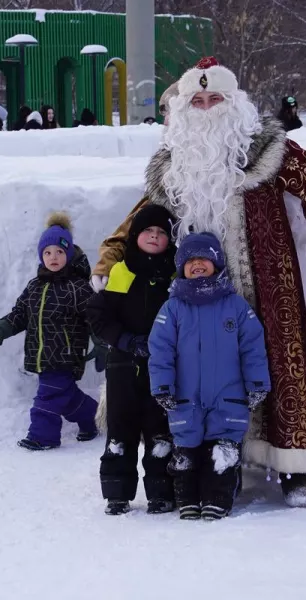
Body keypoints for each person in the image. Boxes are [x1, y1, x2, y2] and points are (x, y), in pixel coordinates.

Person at [91, 57, 306, 507]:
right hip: (194, 297)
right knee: (198, 379)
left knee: (280, 364)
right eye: (196, 100)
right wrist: (109, 256)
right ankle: (212, 468)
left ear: (234, 103)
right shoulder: (173, 166)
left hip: (267, 285)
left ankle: (296, 468)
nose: (205, 106)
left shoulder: (269, 151)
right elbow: (141, 221)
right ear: (181, 108)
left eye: (214, 97)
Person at [148, 232, 270, 520]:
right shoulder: (173, 308)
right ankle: (188, 499)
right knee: (186, 449)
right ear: (181, 269)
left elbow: (253, 347)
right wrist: (163, 386)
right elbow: (160, 349)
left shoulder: (236, 306)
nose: (197, 264)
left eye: (204, 258)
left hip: (228, 396)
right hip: (184, 397)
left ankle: (217, 499)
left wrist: (256, 383)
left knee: (223, 449)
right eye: (190, 261)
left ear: (217, 264)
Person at [87, 205, 178, 516]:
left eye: (161, 233)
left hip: (162, 368)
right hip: (123, 366)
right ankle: (117, 492)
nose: (154, 237)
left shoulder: (173, 276)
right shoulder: (122, 272)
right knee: (120, 431)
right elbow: (98, 315)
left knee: (160, 431)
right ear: (135, 236)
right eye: (147, 232)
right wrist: (125, 340)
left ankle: (161, 492)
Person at [0, 212, 99, 451]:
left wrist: (101, 343)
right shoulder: (34, 286)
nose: (53, 257)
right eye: (47, 252)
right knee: (66, 397)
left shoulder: (77, 287)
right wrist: (1, 330)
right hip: (42, 356)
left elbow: (95, 317)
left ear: (68, 254)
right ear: (41, 256)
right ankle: (90, 416)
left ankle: (42, 436)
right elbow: (20, 314)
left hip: (65, 356)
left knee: (46, 398)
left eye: (59, 252)